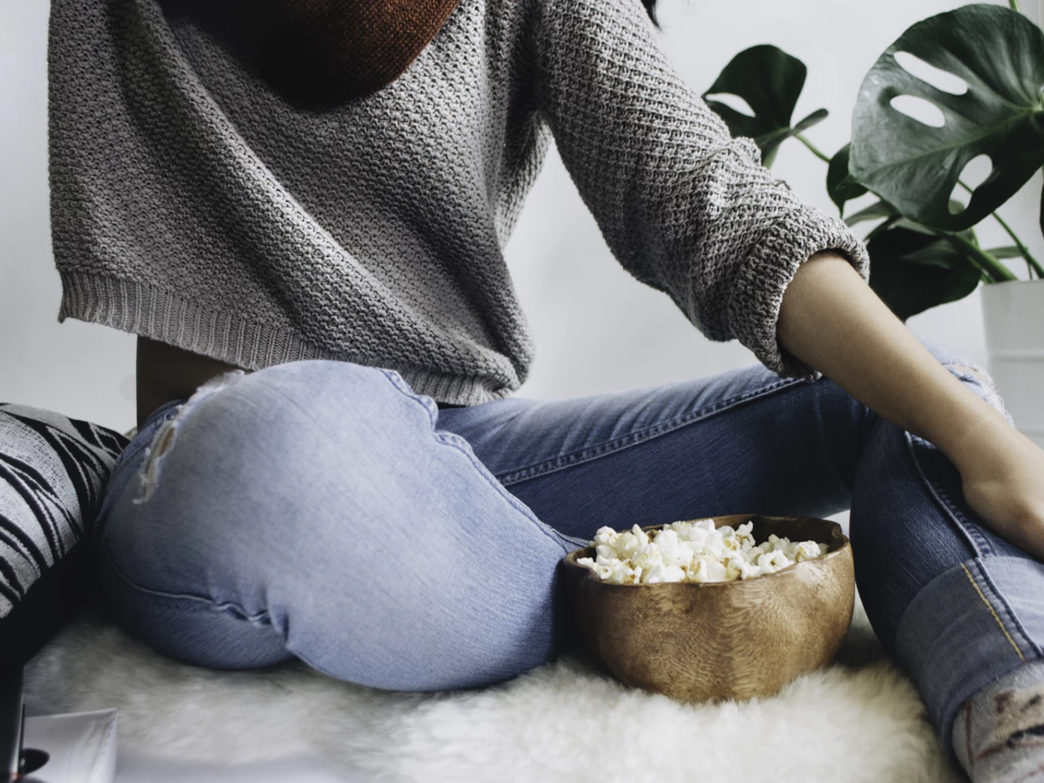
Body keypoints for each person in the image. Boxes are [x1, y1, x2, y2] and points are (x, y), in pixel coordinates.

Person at [47, 0, 1044, 780]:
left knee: (924, 397)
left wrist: (985, 441)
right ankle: (633, 599)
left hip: (467, 462)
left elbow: (709, 200)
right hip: (221, 477)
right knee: (286, 437)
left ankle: (1018, 702)